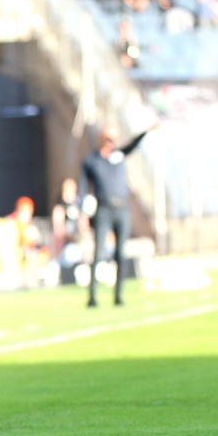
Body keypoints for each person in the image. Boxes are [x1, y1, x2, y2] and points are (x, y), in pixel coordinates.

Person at [78, 123, 150, 307]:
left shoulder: (118, 156)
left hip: (122, 209)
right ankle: (92, 296)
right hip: (103, 209)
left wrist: (146, 130)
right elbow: (82, 188)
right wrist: (82, 213)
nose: (112, 142)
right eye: (109, 139)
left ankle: (118, 296)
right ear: (102, 138)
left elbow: (132, 145)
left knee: (120, 254)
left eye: (114, 139)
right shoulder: (91, 160)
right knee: (99, 253)